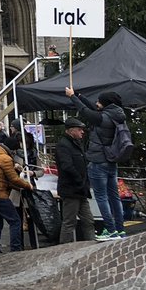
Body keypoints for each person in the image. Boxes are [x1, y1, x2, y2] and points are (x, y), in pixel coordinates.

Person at [64, 87, 128, 240]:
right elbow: (92, 108)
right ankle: (120, 229)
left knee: (101, 197)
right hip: (111, 161)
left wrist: (73, 97)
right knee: (114, 197)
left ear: (106, 104)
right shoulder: (116, 115)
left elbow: (86, 111)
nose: (97, 103)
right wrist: (78, 95)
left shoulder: (102, 118)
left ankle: (110, 230)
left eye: (100, 101)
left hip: (98, 161)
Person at [0, 134, 31, 255]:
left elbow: (0, 177)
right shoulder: (5, 159)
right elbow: (13, 179)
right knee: (15, 221)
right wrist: (27, 185)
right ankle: (15, 249)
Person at [55, 118, 94, 243]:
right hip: (71, 189)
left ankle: (92, 245)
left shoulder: (77, 144)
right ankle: (64, 248)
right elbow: (67, 166)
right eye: (79, 129)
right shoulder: (63, 145)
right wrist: (79, 180)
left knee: (88, 220)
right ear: (71, 131)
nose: (82, 132)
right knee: (69, 222)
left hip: (81, 189)